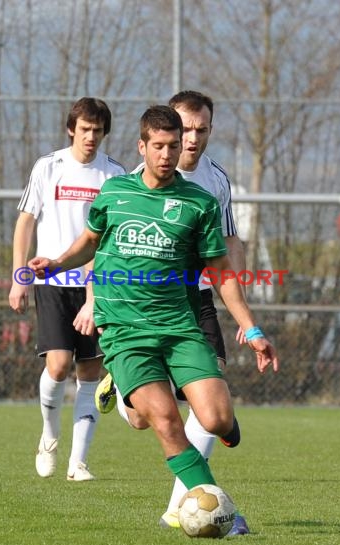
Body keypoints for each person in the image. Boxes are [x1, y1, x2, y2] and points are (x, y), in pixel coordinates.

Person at [28, 106, 278, 520]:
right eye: (158, 146)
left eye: (173, 146)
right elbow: (91, 241)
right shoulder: (115, 193)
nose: (167, 154)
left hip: (179, 326)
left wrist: (252, 329)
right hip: (125, 330)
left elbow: (220, 272)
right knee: (163, 420)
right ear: (142, 146)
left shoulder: (199, 202)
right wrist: (55, 264)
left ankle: (138, 402)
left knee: (215, 419)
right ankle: (220, 512)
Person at [97, 91, 249, 534]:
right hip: (138, 307)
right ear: (157, 138)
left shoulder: (216, 181)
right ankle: (127, 394)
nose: (191, 140)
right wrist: (93, 301)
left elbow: (229, 240)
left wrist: (240, 303)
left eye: (201, 130)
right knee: (151, 417)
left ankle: (185, 505)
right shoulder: (131, 183)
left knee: (212, 410)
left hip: (195, 299)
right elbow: (106, 249)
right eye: (185, 130)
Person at [8, 97, 125, 481]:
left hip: (96, 286)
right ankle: (49, 437)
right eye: (85, 129)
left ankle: (79, 462)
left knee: (89, 373)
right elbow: (26, 223)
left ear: (105, 132)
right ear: (71, 129)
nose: (91, 137)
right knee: (58, 366)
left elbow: (109, 238)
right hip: (53, 281)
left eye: (98, 130)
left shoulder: (113, 175)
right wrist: (18, 276)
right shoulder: (49, 166)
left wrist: (97, 292)